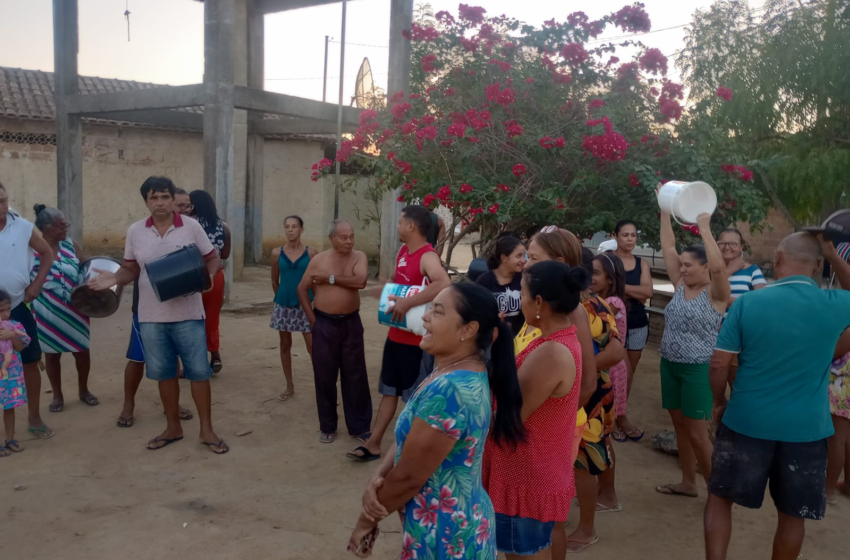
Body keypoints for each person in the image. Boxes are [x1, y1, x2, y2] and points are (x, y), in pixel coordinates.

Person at [348, 283, 525, 560]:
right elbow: (411, 437)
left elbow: (409, 477)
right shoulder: (447, 372)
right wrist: (380, 475)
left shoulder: (451, 391)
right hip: (446, 527)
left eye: (438, 312)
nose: (425, 317)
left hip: (448, 537)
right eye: (429, 308)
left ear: (468, 330)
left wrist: (367, 520)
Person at [705, 233, 850, 559]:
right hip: (807, 431)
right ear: (816, 267)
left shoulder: (747, 303)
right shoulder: (834, 305)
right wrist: (833, 255)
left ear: (779, 259)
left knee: (719, 498)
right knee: (793, 514)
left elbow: (718, 363)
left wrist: (719, 402)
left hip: (746, 421)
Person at [88, 176, 227, 454]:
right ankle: (173, 427)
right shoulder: (135, 231)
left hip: (188, 313)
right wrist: (114, 280)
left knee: (199, 373)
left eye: (165, 197)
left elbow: (212, 257)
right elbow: (131, 269)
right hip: (151, 316)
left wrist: (209, 275)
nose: (160, 203)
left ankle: (206, 430)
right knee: (164, 374)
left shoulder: (191, 226)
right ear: (146, 201)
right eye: (154, 197)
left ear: (172, 199)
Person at [483, 261, 586, 559]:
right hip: (531, 471)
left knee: (523, 552)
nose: (520, 300)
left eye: (523, 293)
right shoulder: (553, 340)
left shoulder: (552, 353)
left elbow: (508, 418)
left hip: (526, 476)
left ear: (539, 302)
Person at [519, 226, 597, 559]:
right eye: (526, 256)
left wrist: (556, 419)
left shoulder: (572, 314)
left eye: (533, 258)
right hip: (531, 419)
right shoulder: (537, 308)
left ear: (558, 261)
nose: (525, 263)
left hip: (549, 426)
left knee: (547, 517)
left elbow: (587, 381)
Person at [349, 205, 451, 462]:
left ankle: (410, 453)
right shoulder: (404, 252)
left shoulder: (428, 256)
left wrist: (409, 302)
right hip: (395, 337)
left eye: (400, 222)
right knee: (389, 392)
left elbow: (443, 284)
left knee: (414, 399)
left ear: (411, 226)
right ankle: (373, 443)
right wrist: (385, 291)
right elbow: (400, 284)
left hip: (417, 343)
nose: (397, 226)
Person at [656, 210, 729, 498]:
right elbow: (668, 248)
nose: (682, 269)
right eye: (682, 265)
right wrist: (664, 212)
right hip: (669, 365)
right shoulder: (679, 285)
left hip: (698, 370)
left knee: (699, 434)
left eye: (688, 265)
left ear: (705, 267)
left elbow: (721, 269)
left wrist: (704, 228)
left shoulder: (716, 294)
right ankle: (688, 482)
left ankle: (716, 495)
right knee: (680, 427)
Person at [566, 250, 626, 553]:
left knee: (584, 457)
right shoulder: (558, 302)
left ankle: (587, 528)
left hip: (589, 394)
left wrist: (578, 372)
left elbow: (615, 353)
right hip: (569, 391)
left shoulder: (593, 306)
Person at [298, 219, 372, 444]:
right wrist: (313, 321)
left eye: (351, 236)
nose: (349, 241)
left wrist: (329, 279)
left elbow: (360, 281)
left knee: (355, 374)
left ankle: (359, 426)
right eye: (344, 237)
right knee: (324, 376)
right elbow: (302, 289)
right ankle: (328, 426)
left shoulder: (359, 257)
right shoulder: (319, 260)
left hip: (351, 323)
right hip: (324, 323)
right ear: (332, 238)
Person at [0, 181, 54, 440]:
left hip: (17, 308)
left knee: (30, 360)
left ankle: (34, 417)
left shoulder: (22, 227)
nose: (0, 207)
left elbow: (46, 253)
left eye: (2, 200)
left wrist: (37, 283)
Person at [29, 204, 95, 412]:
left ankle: (83, 390)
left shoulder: (71, 245)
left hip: (76, 308)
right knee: (52, 354)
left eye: (66, 224)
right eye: (60, 226)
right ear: (46, 228)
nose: (65, 228)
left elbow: (85, 269)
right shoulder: (31, 250)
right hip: (46, 311)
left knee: (82, 351)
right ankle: (57, 395)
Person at [591, 252, 640, 446]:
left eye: (595, 273)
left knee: (607, 408)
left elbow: (590, 322)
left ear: (610, 279)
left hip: (611, 365)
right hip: (607, 362)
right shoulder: (598, 299)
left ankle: (612, 431)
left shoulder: (613, 303)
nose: (590, 277)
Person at [612, 220, 653, 437]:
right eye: (625, 235)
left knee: (629, 375)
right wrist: (634, 291)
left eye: (633, 235)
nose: (629, 239)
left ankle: (620, 416)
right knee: (615, 372)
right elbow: (600, 290)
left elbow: (648, 292)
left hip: (637, 323)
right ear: (615, 236)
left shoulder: (641, 263)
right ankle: (614, 418)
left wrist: (619, 288)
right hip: (611, 325)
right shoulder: (607, 260)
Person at [271, 215, 316, 402]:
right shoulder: (276, 253)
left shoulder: (312, 253)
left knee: (313, 347)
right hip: (283, 305)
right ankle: (289, 385)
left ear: (301, 229)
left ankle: (322, 387)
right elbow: (274, 280)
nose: (290, 230)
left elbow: (315, 281)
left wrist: (313, 303)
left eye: (294, 226)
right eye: (287, 227)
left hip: (306, 305)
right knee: (284, 345)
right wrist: (282, 297)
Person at [189, 189, 231, 374]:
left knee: (191, 318)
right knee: (212, 317)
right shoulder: (224, 227)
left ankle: (195, 362)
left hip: (191, 276)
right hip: (216, 275)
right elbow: (225, 255)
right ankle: (215, 356)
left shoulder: (189, 225)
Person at [0, 288, 31, 456]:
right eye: (1, 310)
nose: (5, 314)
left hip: (10, 377)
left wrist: (12, 335)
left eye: (8, 309)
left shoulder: (15, 326)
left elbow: (19, 347)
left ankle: (10, 439)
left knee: (9, 407)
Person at [476, 235, 527, 335]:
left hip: (518, 339)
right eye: (518, 256)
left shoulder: (524, 280)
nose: (523, 260)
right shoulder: (485, 281)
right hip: (491, 338)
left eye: (524, 255)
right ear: (504, 258)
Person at [826, 327, 850, 504]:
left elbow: (833, 353)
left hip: (842, 386)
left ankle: (828, 489)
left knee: (837, 439)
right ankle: (848, 485)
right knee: (847, 439)